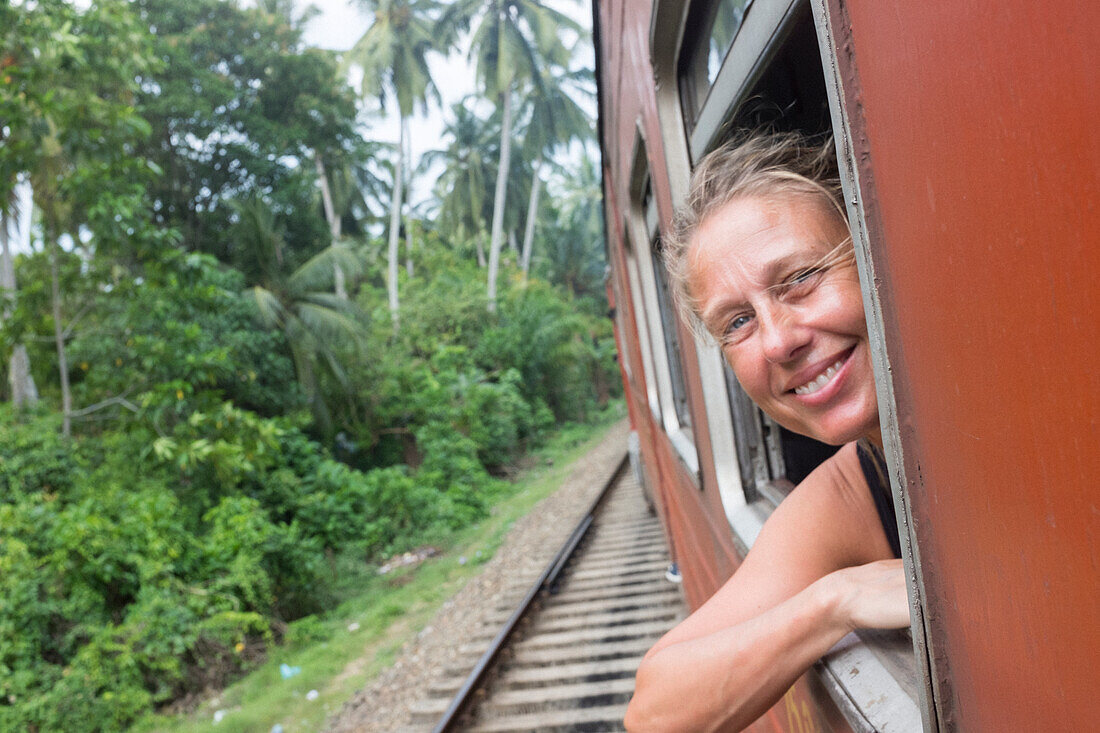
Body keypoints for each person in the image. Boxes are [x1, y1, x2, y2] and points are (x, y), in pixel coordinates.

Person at [623, 132, 911, 732]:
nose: (779, 341)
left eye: (801, 277)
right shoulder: (853, 491)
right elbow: (655, 714)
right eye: (738, 322)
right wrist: (832, 603)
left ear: (875, 252)